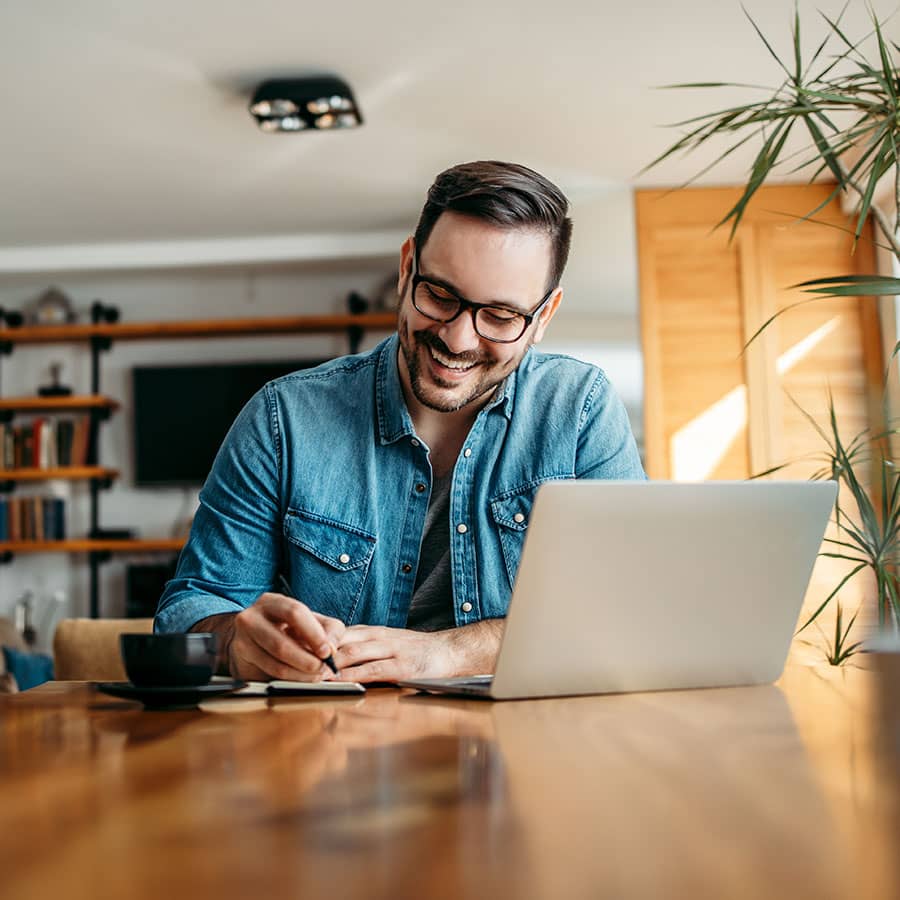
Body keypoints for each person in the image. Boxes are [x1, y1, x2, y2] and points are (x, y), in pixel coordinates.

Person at [155, 160, 645, 682]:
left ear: (543, 317)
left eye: (501, 317)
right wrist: (235, 642)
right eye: (440, 295)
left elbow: (628, 610)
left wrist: (448, 653)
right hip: (331, 745)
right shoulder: (283, 419)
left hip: (525, 748)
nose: (458, 340)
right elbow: (190, 609)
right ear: (408, 266)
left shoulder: (580, 410)